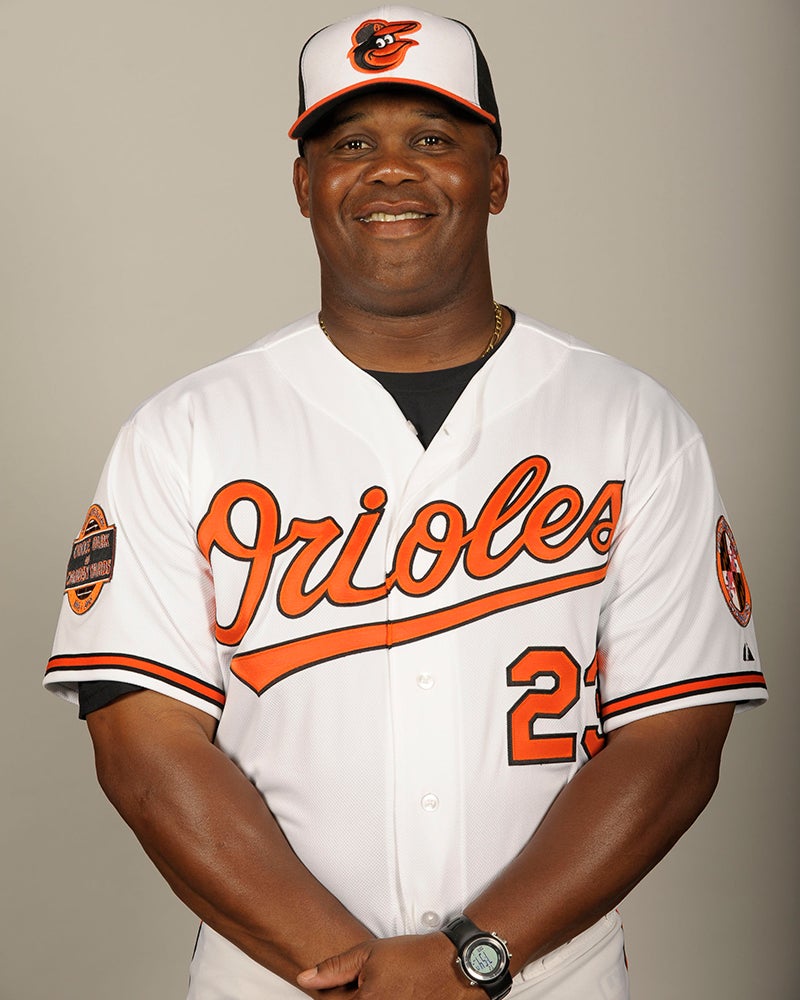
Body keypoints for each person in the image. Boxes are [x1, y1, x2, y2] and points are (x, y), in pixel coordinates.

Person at [44, 7, 767, 999]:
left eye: (432, 138)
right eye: (350, 144)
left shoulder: (631, 423)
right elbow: (139, 735)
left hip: (549, 975)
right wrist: (350, 971)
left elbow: (675, 738)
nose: (389, 168)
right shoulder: (185, 430)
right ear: (305, 186)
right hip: (273, 978)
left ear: (496, 178)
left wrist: (475, 955)